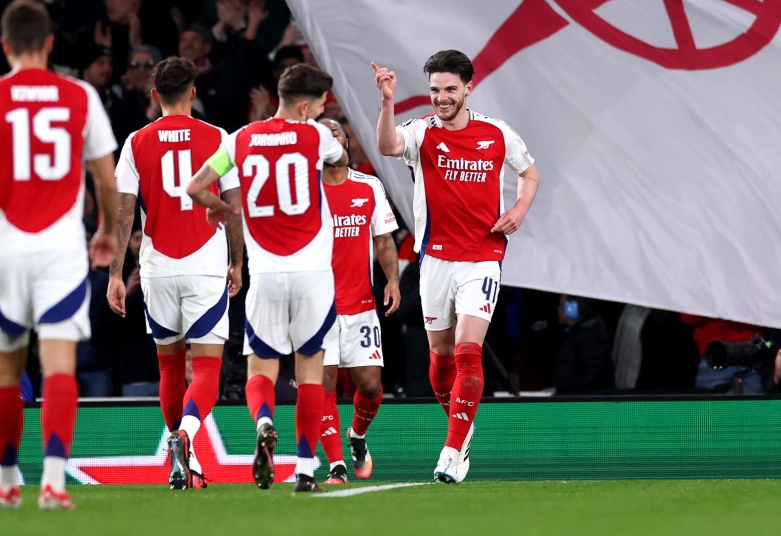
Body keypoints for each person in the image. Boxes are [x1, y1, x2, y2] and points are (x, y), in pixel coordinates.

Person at [0, 0, 119, 510]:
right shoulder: (81, 96)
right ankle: (53, 481)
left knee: (4, 371)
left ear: (4, 45)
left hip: (3, 251)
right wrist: (107, 230)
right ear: (49, 43)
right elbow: (105, 178)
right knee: (60, 368)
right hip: (60, 251)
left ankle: (5, 476)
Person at [372, 49, 540, 483]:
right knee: (440, 362)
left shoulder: (497, 133)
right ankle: (461, 429)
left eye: (449, 89)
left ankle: (450, 451)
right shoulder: (421, 133)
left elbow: (530, 173)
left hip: (482, 259)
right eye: (434, 90)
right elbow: (387, 146)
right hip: (435, 262)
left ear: (469, 86)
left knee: (468, 351)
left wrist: (520, 208)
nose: (441, 98)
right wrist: (388, 101)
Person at [184, 63, 348, 494]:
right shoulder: (318, 136)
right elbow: (340, 161)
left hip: (267, 274)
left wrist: (221, 208)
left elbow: (196, 186)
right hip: (312, 273)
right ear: (302, 104)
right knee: (310, 369)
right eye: (317, 105)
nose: (319, 112)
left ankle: (265, 422)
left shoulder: (239, 140)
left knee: (262, 367)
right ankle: (307, 468)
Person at [108, 55, 244, 489]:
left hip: (157, 266)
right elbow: (234, 205)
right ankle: (186, 437)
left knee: (168, 368)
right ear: (193, 93)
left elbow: (123, 213)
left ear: (154, 97)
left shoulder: (136, 142)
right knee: (205, 369)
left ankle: (178, 455)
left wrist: (115, 273)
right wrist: (237, 262)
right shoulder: (219, 139)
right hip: (205, 263)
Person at [317, 117, 400, 484]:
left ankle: (357, 437)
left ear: (347, 141)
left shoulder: (368, 187)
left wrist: (393, 279)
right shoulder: (305, 191)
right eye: (324, 133)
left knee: (370, 387)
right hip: (317, 310)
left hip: (361, 306)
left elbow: (383, 240)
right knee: (324, 388)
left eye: (337, 132)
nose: (333, 137)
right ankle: (336, 465)